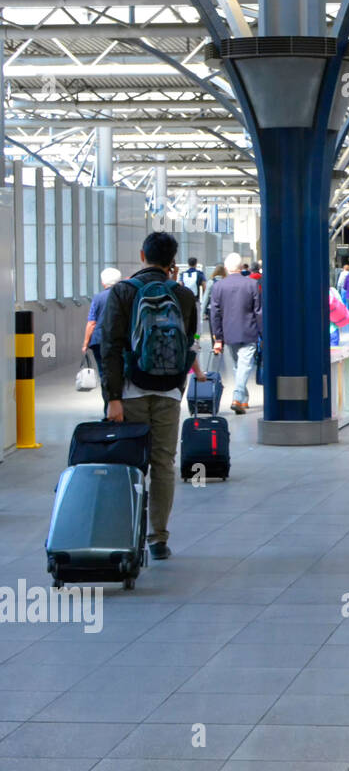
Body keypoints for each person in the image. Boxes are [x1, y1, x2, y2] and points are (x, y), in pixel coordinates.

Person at [99, 232, 198, 562]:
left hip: (130, 392)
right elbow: (189, 344)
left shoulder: (123, 292)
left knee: (130, 464)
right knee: (164, 464)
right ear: (173, 260)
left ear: (142, 254)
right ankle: (158, 538)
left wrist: (112, 397)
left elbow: (111, 347)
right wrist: (178, 387)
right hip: (168, 392)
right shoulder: (183, 295)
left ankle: (130, 534)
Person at [208, 251, 262, 415]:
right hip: (249, 331)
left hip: (229, 333)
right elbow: (258, 312)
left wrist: (218, 337)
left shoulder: (218, 286)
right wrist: (263, 334)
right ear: (241, 267)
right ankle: (238, 398)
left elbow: (215, 314)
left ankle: (243, 399)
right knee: (243, 366)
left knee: (239, 366)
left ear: (226, 268)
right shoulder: (251, 285)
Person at [82, 267, 122, 412]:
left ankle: (108, 407)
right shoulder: (124, 295)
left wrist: (85, 343)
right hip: (120, 340)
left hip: (100, 341)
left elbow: (92, 322)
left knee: (104, 373)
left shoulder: (98, 298)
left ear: (103, 281)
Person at [202, 264, 227, 339]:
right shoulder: (226, 281)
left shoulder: (211, 282)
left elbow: (206, 297)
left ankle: (215, 346)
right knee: (223, 329)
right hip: (224, 309)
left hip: (212, 308)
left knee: (213, 329)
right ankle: (221, 345)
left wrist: (202, 312)